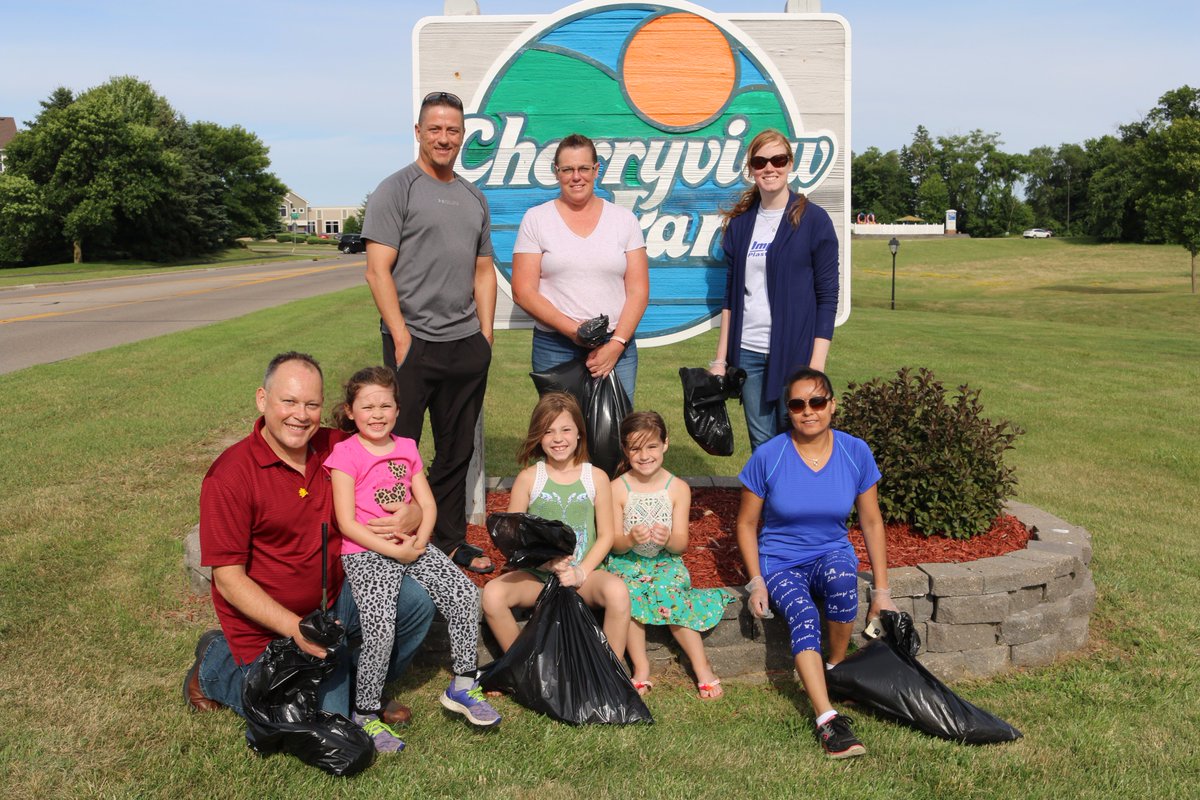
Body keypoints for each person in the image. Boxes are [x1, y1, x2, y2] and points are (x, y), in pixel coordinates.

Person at [185, 352, 434, 724]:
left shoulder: (336, 447)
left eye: (311, 404)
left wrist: (413, 509)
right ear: (262, 399)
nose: (300, 415)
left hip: (334, 604)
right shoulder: (230, 476)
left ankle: (363, 687)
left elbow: (396, 466)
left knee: (415, 601)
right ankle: (214, 665)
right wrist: (295, 630)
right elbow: (229, 579)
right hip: (268, 629)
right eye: (288, 401)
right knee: (312, 718)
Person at [324, 366, 500, 751]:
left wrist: (420, 541)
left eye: (385, 405)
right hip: (366, 554)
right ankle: (366, 713)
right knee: (380, 627)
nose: (377, 413)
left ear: (398, 409)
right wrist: (397, 550)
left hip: (412, 545)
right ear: (351, 411)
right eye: (367, 406)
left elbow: (427, 504)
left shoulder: (405, 447)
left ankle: (463, 684)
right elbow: (347, 523)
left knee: (465, 596)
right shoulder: (345, 454)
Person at [362, 90, 498, 575]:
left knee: (457, 448)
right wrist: (400, 336)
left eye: (453, 130)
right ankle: (393, 539)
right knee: (397, 449)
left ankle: (448, 539)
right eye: (435, 129)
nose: (445, 138)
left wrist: (485, 336)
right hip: (412, 342)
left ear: (463, 136)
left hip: (464, 343)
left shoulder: (472, 196)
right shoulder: (396, 190)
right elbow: (378, 271)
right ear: (418, 132)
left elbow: (484, 270)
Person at [736, 367, 897, 759]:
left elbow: (872, 522)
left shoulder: (854, 451)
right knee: (804, 613)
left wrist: (882, 591)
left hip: (831, 551)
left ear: (832, 406)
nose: (808, 411)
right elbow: (745, 523)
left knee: (844, 582)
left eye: (817, 402)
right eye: (797, 404)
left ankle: (835, 670)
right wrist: (756, 581)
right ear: (788, 411)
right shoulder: (769, 456)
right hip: (781, 561)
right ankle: (827, 719)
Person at [710, 128, 840, 450]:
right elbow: (731, 298)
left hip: (797, 353)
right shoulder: (740, 225)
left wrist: (816, 366)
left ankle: (800, 502)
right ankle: (769, 503)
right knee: (762, 445)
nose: (770, 168)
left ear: (790, 163)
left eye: (778, 159)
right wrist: (720, 359)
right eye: (760, 161)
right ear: (751, 169)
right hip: (749, 351)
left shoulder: (813, 220)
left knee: (801, 439)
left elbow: (827, 297)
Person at [481, 392, 631, 659]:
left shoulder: (595, 477)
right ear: (538, 436)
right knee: (492, 594)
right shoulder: (529, 479)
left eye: (566, 430)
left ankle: (611, 671)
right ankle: (524, 668)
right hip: (537, 578)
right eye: (548, 431)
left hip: (584, 575)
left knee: (618, 592)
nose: (558, 439)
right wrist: (544, 564)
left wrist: (581, 572)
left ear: (579, 434)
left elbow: (607, 535)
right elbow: (512, 537)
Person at [511, 133, 649, 403]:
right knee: (559, 434)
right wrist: (575, 332)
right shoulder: (536, 219)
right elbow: (523, 291)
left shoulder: (624, 220)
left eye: (584, 168)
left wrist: (616, 344)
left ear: (597, 170)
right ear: (556, 172)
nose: (576, 176)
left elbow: (638, 291)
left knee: (613, 434)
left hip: (616, 345)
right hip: (556, 345)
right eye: (568, 169)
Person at [605, 411, 733, 698]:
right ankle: (641, 667)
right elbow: (614, 543)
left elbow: (681, 545)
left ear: (665, 444)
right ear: (625, 450)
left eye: (651, 446)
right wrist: (629, 539)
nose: (644, 455)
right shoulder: (617, 489)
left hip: (665, 561)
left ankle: (702, 667)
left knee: (670, 593)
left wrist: (666, 541)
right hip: (627, 562)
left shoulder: (677, 488)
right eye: (635, 448)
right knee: (629, 594)